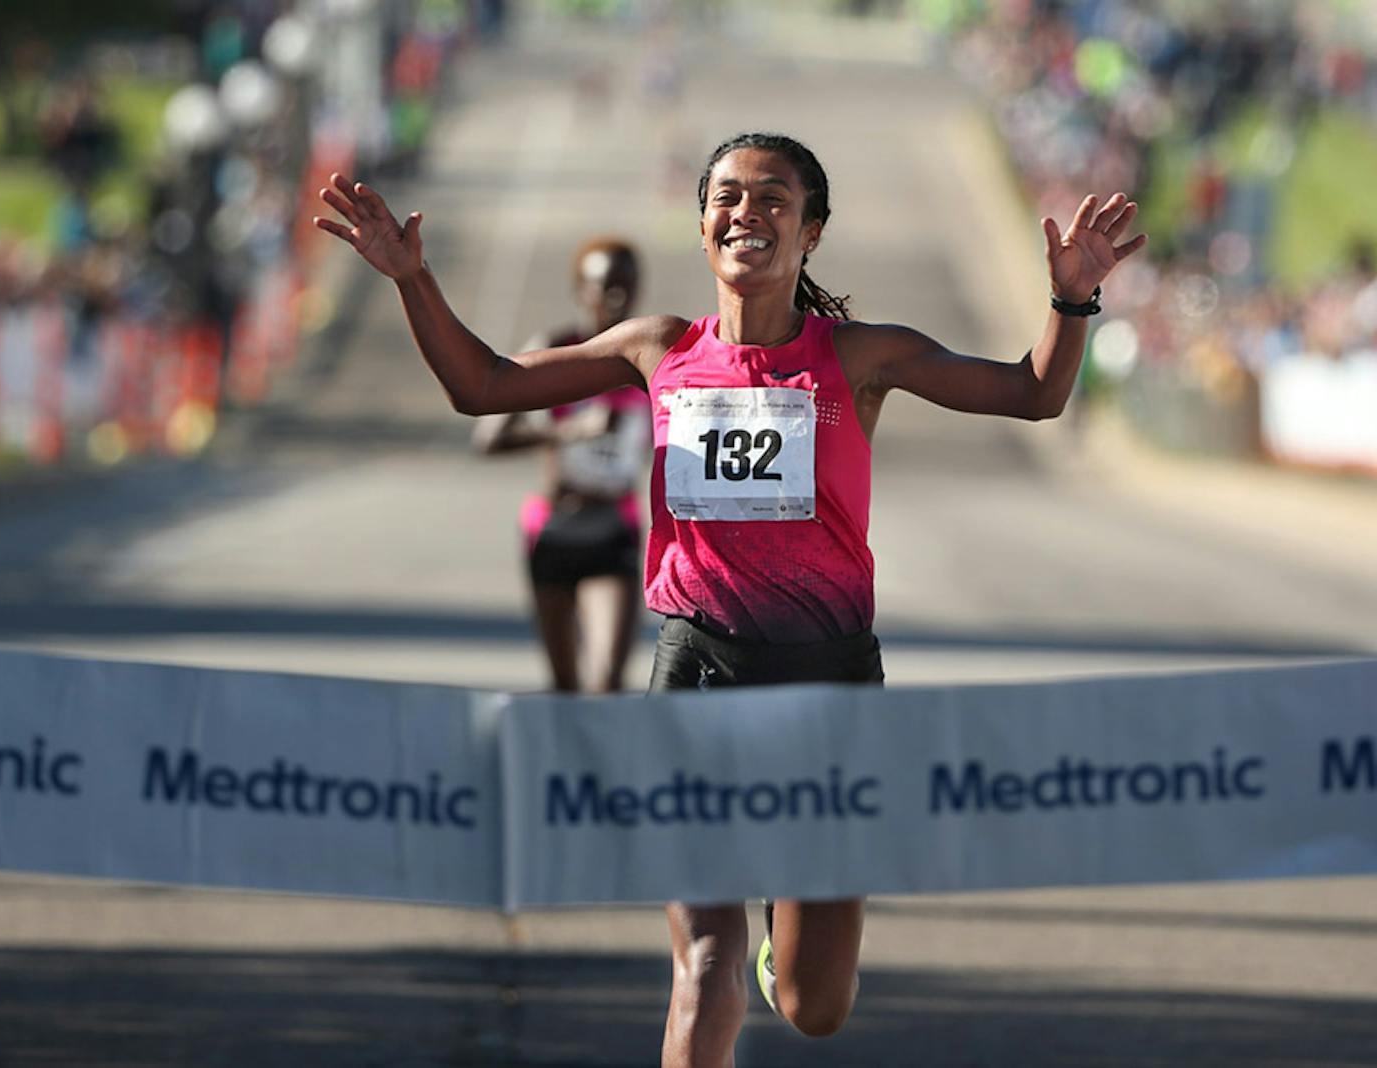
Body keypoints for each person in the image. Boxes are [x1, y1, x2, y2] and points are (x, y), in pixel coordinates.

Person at [315, 130, 1144, 1067]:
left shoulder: (862, 356)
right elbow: (483, 388)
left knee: (813, 1004)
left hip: (829, 691)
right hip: (696, 676)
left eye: (774, 199)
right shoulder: (658, 349)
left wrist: (1073, 297)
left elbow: (1032, 396)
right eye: (728, 198)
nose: (747, 213)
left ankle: (783, 942)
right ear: (703, 221)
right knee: (703, 967)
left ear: (812, 232)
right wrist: (410, 279)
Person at [471, 238, 651, 693]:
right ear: (580, 290)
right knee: (564, 685)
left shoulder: (649, 359)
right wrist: (571, 431)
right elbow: (489, 439)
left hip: (614, 528)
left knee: (608, 679)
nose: (616, 298)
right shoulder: (554, 347)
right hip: (553, 526)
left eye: (625, 287)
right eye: (604, 286)